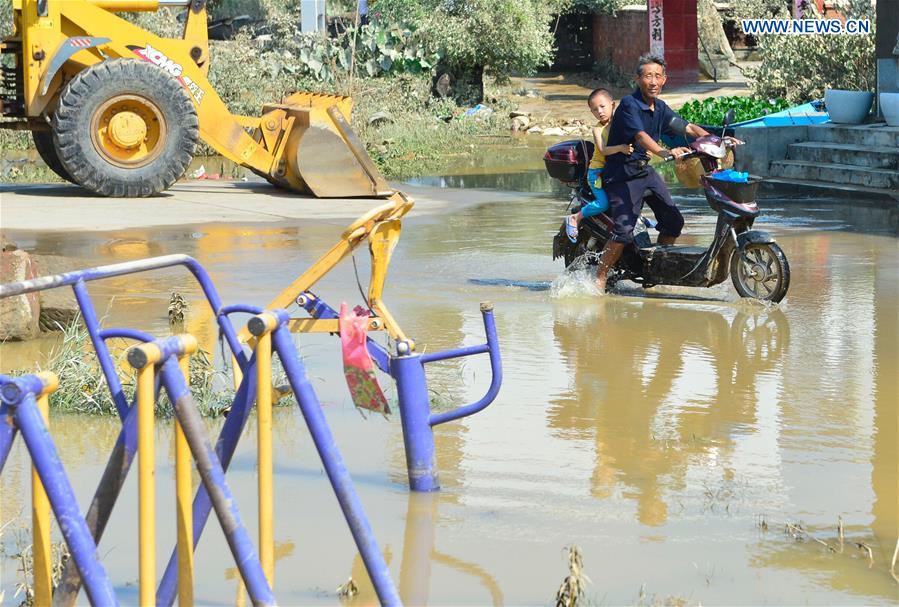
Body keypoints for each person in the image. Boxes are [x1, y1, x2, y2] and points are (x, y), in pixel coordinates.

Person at [594, 54, 711, 292]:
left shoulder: (660, 108)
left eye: (658, 76)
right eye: (648, 76)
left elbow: (686, 126)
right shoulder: (629, 104)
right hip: (621, 175)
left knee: (674, 221)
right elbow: (640, 136)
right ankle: (600, 276)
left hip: (644, 171)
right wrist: (663, 151)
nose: (653, 81)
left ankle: (655, 270)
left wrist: (713, 139)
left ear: (664, 79)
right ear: (638, 79)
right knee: (624, 231)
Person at [565, 88, 634, 243]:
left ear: (613, 105)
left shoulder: (621, 123)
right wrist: (621, 148)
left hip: (613, 170)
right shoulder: (598, 129)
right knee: (603, 204)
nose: (600, 112)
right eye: (595, 110)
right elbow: (603, 150)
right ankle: (576, 217)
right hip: (596, 172)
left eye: (602, 107)